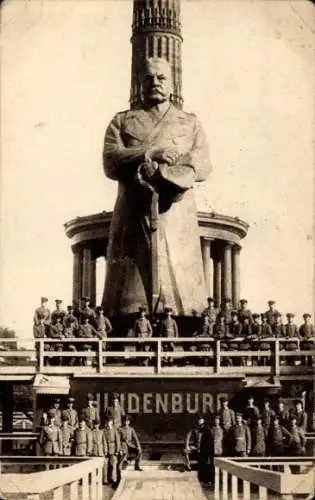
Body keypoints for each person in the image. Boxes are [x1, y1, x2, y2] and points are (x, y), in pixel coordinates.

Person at [101, 57, 212, 316]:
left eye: (162, 78)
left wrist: (169, 173)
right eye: (148, 78)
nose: (155, 83)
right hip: (133, 209)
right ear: (139, 85)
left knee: (181, 290)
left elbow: (203, 163)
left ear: (172, 84)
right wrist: (149, 152)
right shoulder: (122, 121)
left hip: (176, 207)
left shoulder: (189, 122)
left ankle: (187, 318)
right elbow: (111, 159)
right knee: (130, 288)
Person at [103, 416, 121, 486]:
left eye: (110, 423)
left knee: (113, 465)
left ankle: (114, 479)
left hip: (113, 449)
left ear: (112, 423)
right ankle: (105, 480)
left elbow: (118, 441)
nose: (109, 424)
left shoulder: (115, 431)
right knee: (105, 465)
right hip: (106, 449)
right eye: (108, 423)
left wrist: (117, 450)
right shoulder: (104, 431)